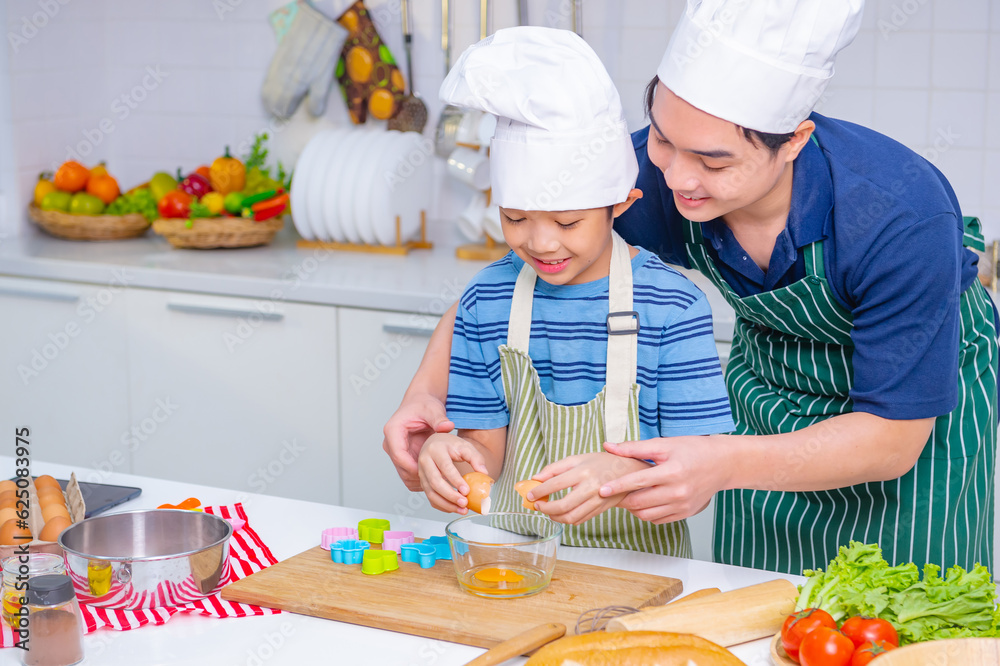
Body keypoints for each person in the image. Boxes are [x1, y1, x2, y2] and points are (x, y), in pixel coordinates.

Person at [385, 0, 997, 574]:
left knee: (909, 616)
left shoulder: (898, 217)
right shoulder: (646, 182)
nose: (676, 177)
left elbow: (891, 439)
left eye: (713, 160)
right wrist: (424, 391)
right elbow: (510, 283)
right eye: (661, 138)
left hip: (910, 427)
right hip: (771, 401)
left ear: (794, 142)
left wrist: (724, 460)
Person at [417, 26, 734, 555]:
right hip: (512, 559)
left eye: (567, 222)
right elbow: (484, 452)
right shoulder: (486, 301)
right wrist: (451, 459)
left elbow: (697, 480)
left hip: (640, 572)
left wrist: (627, 471)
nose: (540, 242)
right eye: (515, 217)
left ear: (622, 204)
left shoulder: (671, 307)